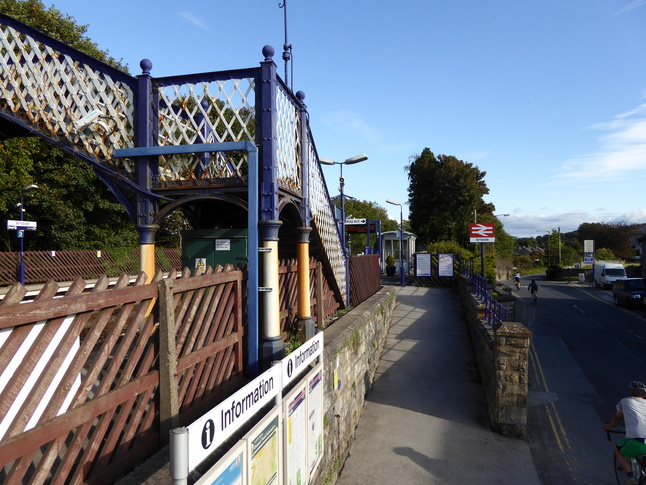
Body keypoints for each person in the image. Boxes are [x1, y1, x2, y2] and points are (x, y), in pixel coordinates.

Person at [603, 381, 646, 484]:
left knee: (617, 449)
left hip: (637, 441)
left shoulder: (624, 401)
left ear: (630, 392)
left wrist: (609, 427)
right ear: (644, 394)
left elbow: (617, 417)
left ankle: (631, 477)